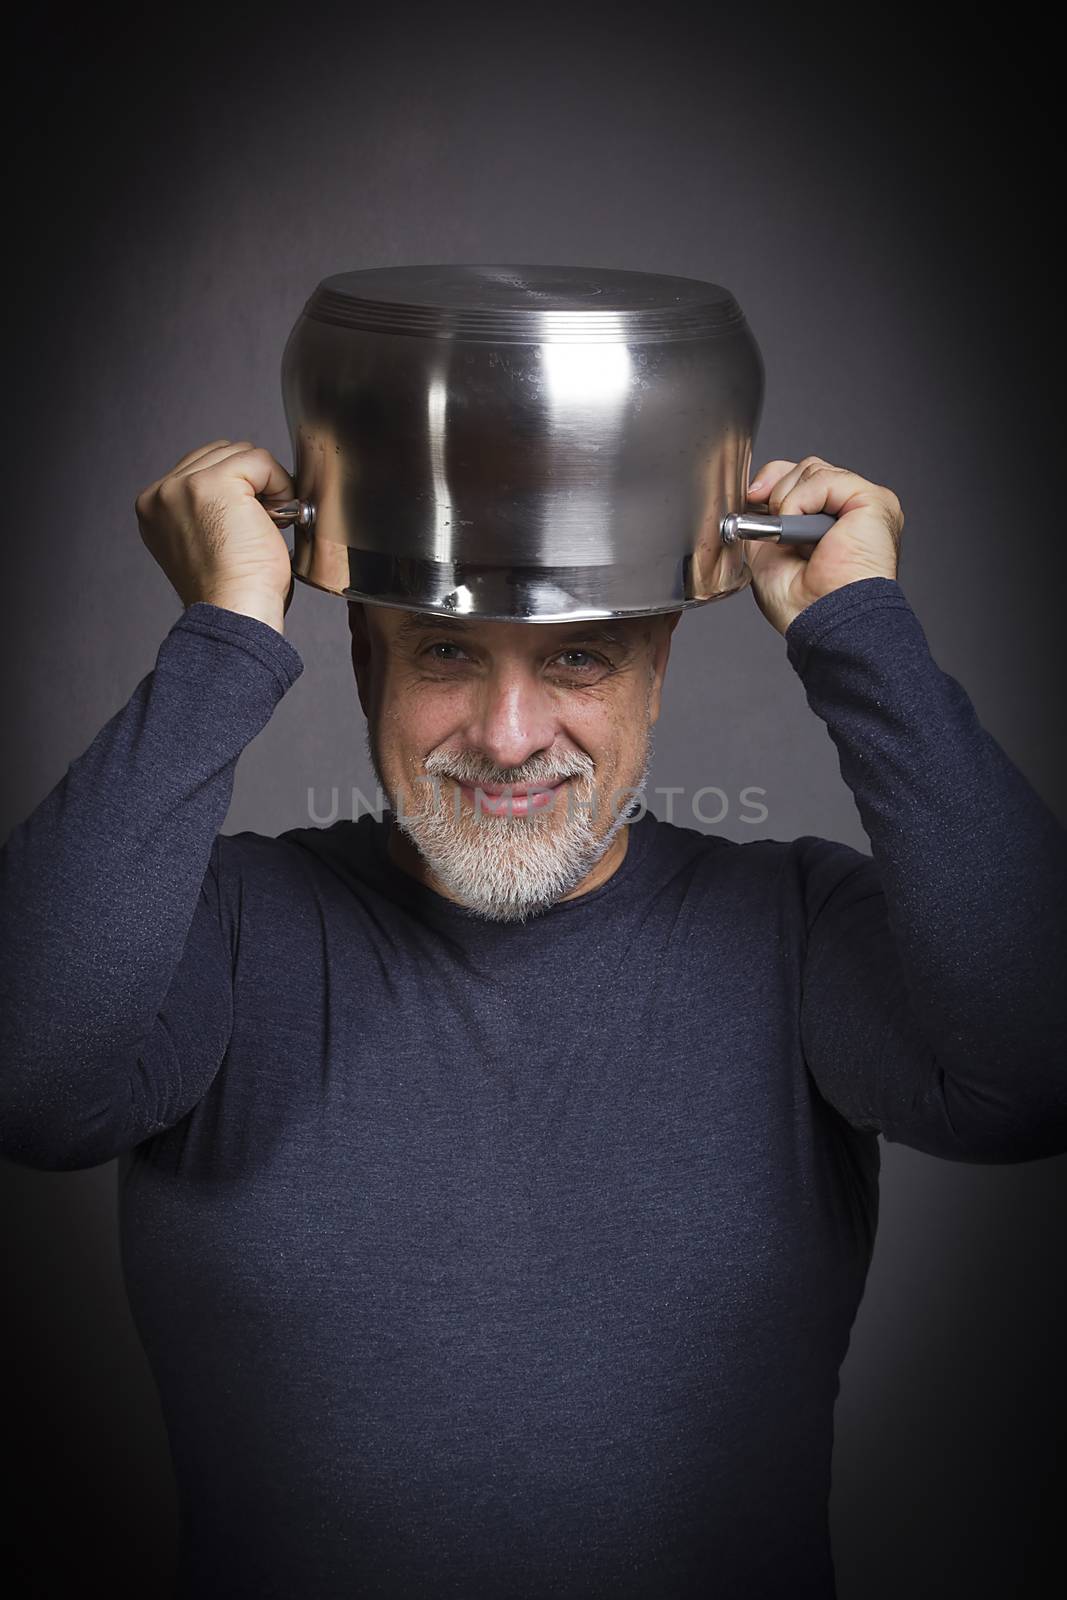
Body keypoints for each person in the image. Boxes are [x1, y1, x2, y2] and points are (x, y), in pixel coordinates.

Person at [1, 439, 1064, 1599]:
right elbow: (27, 1078)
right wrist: (228, 630)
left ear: (655, 668)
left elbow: (1036, 1064)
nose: (507, 735)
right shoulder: (222, 927)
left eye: (577, 661)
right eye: (446, 652)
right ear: (363, 658)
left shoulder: (797, 934)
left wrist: (860, 630)